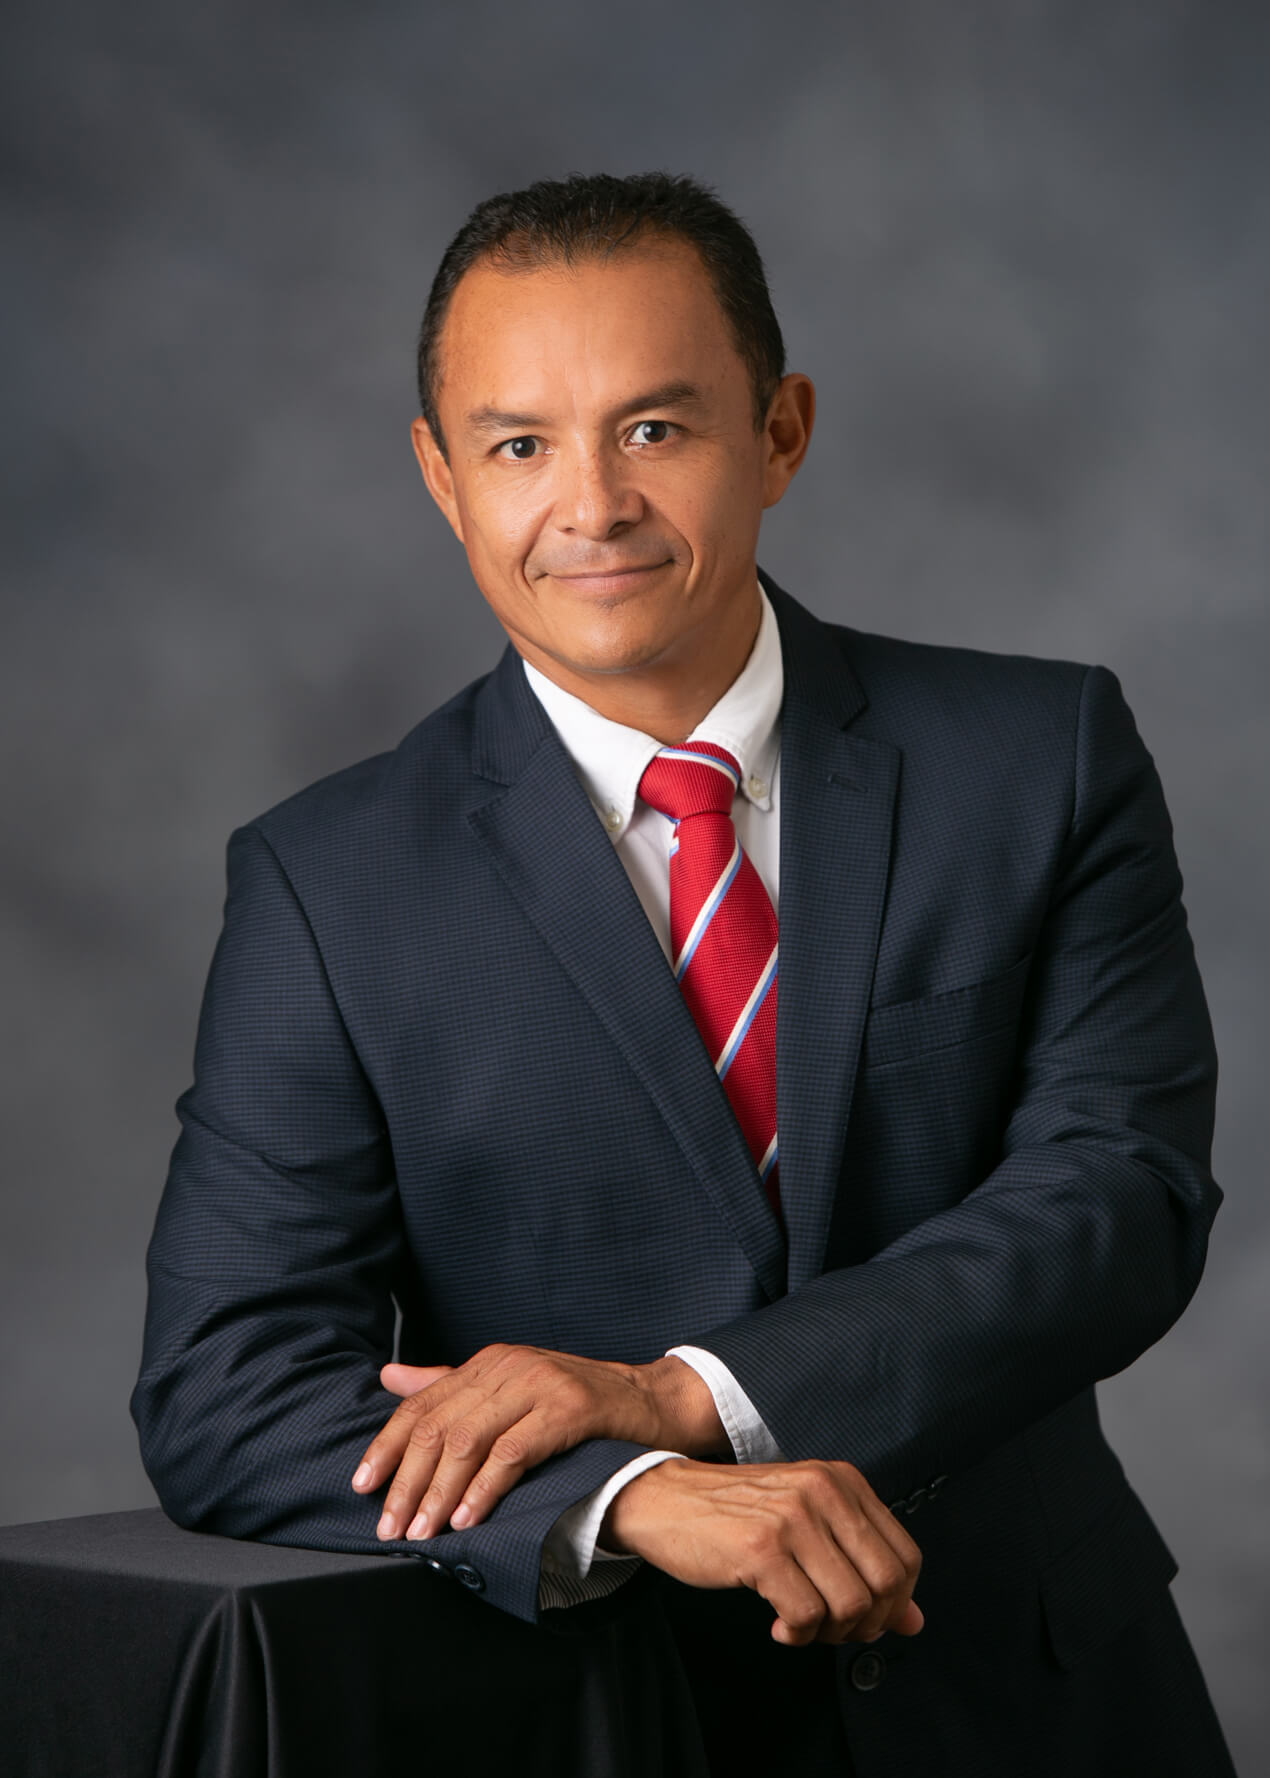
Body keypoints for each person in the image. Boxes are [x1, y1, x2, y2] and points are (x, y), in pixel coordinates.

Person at [132, 172, 1235, 1775]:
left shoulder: (1037, 758)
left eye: (652, 429)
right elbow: (229, 1389)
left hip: (1038, 1702)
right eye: (519, 445)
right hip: (609, 1717)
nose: (590, 505)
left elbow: (1120, 1200)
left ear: (777, 433)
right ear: (441, 478)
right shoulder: (329, 881)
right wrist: (625, 1491)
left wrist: (682, 1396)